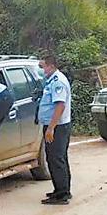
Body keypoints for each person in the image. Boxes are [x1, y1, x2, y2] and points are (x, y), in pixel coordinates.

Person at [37, 55, 72, 205]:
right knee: (59, 158)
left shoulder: (58, 82)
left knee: (55, 159)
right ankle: (62, 189)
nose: (41, 70)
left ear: (51, 66)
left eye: (43, 66)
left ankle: (61, 194)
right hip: (56, 125)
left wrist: (51, 128)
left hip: (57, 126)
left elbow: (60, 105)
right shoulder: (52, 80)